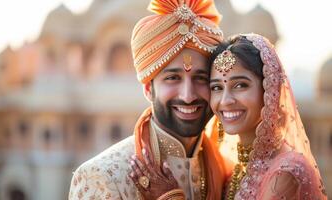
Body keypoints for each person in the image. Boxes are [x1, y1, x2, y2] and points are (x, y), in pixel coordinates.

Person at [130, 33, 328, 200]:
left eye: (240, 85)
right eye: (216, 87)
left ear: (270, 90)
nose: (225, 100)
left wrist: (168, 195)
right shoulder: (231, 166)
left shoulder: (286, 172)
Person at [68, 0, 230, 199]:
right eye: (172, 78)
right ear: (148, 89)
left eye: (201, 78)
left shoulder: (222, 170)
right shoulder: (102, 176)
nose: (188, 96)